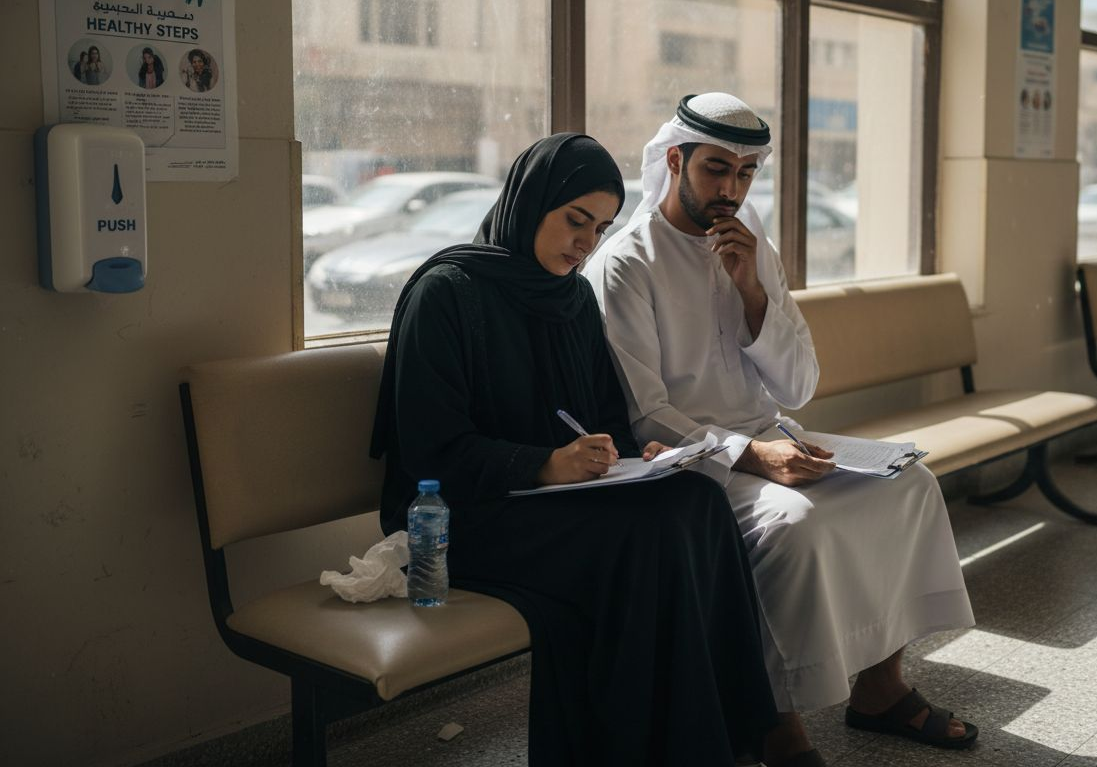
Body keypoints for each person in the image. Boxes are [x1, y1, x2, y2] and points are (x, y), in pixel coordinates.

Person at [583, 93, 977, 766]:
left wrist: (753, 292)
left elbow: (798, 386)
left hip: (772, 436)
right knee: (795, 526)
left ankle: (880, 690)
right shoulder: (626, 264)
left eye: (745, 174)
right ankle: (774, 724)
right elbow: (643, 414)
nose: (730, 190)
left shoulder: (751, 244)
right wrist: (754, 457)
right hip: (688, 461)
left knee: (908, 486)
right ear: (674, 160)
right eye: (714, 170)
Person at [370, 133, 778, 766]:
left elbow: (604, 418)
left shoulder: (572, 297)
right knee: (643, 539)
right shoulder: (448, 293)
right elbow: (430, 451)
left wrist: (632, 455)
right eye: (575, 221)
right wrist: (542, 464)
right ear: (533, 203)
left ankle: (735, 739)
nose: (587, 243)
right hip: (460, 516)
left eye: (602, 227)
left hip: (557, 501)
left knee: (696, 499)